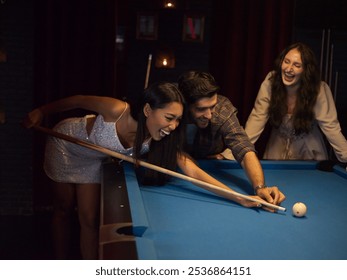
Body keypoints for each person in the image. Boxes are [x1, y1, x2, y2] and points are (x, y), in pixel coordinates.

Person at [23, 82, 276, 260]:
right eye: (169, 117)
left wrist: (238, 196)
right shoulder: (116, 110)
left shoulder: (159, 138)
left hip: (92, 160)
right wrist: (41, 111)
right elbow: (76, 100)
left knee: (88, 219)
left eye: (178, 119)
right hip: (66, 143)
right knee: (63, 208)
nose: (174, 126)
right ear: (147, 110)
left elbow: (193, 171)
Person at [177, 71, 286, 208]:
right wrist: (238, 198)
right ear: (185, 105)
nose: (209, 115)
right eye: (201, 109)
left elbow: (243, 147)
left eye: (212, 107)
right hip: (178, 169)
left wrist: (260, 187)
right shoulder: (174, 111)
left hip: (208, 162)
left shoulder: (222, 109)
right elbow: (188, 166)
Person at [244, 42, 347, 163]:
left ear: (306, 70)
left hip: (310, 153)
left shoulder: (319, 90)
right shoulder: (271, 82)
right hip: (276, 151)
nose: (288, 69)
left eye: (296, 65)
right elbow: (256, 119)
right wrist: (234, 152)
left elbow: (332, 128)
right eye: (286, 61)